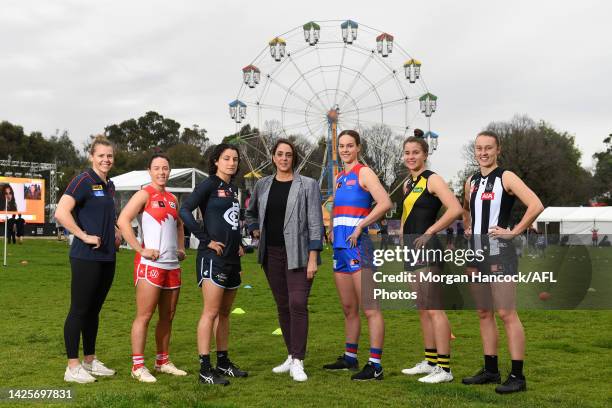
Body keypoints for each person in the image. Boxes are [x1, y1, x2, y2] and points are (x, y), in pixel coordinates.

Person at [461, 130, 543, 394]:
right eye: (479, 148)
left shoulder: (505, 177)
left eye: (488, 148)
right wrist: (468, 226)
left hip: (499, 250)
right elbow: (465, 208)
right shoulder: (471, 180)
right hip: (475, 251)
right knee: (484, 312)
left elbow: (536, 204)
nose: (483, 153)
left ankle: (518, 377)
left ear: (498, 150)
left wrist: (515, 231)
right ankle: (490, 371)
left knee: (506, 313)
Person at [245, 139, 323, 382]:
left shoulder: (308, 185)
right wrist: (255, 228)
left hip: (299, 253)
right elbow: (250, 212)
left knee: (297, 303)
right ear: (273, 158)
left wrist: (313, 257)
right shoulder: (263, 184)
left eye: (288, 154)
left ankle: (298, 361)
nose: (284, 158)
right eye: (279, 154)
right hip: (272, 254)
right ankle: (291, 354)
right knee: (282, 306)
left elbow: (315, 223)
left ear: (294, 158)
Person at [323, 129, 392, 381]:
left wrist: (362, 225)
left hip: (358, 246)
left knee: (370, 309)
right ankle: (350, 358)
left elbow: (385, 202)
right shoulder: (340, 177)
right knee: (349, 308)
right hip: (340, 248)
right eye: (341, 146)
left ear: (358, 148)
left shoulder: (364, 172)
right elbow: (339, 209)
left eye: (349, 145)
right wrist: (331, 227)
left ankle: (375, 365)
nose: (345, 150)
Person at [54, 135, 121, 383]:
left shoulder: (109, 185)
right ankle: (72, 368)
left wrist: (114, 231)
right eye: (101, 155)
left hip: (107, 257)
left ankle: (90, 361)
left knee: (94, 311)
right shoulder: (83, 180)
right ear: (91, 157)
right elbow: (61, 212)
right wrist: (83, 235)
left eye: (109, 156)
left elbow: (102, 214)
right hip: (86, 257)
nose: (106, 159)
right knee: (79, 311)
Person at [180, 143, 247, 386]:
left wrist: (239, 244)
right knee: (210, 312)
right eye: (227, 158)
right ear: (216, 161)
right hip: (213, 259)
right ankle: (204, 368)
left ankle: (223, 362)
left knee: (225, 313)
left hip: (232, 258)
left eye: (235, 159)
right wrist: (205, 239)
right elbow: (185, 210)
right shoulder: (208, 184)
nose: (232, 162)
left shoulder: (233, 189)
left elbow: (231, 222)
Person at [117, 154, 188, 383]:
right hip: (150, 266)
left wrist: (181, 247)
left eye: (165, 168)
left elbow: (178, 223)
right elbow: (123, 220)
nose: (161, 172)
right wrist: (140, 249)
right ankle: (137, 366)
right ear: (149, 171)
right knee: (144, 316)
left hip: (172, 266)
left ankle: (162, 361)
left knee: (168, 316)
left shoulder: (172, 198)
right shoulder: (143, 194)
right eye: (157, 168)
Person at [398, 137, 463, 384]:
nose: (411, 156)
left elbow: (455, 208)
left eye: (416, 152)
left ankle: (445, 370)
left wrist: (430, 232)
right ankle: (430, 361)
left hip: (429, 250)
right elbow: (406, 217)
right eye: (407, 152)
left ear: (425, 154)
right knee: (423, 308)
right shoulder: (407, 183)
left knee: (435, 308)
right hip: (411, 250)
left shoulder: (432, 179)